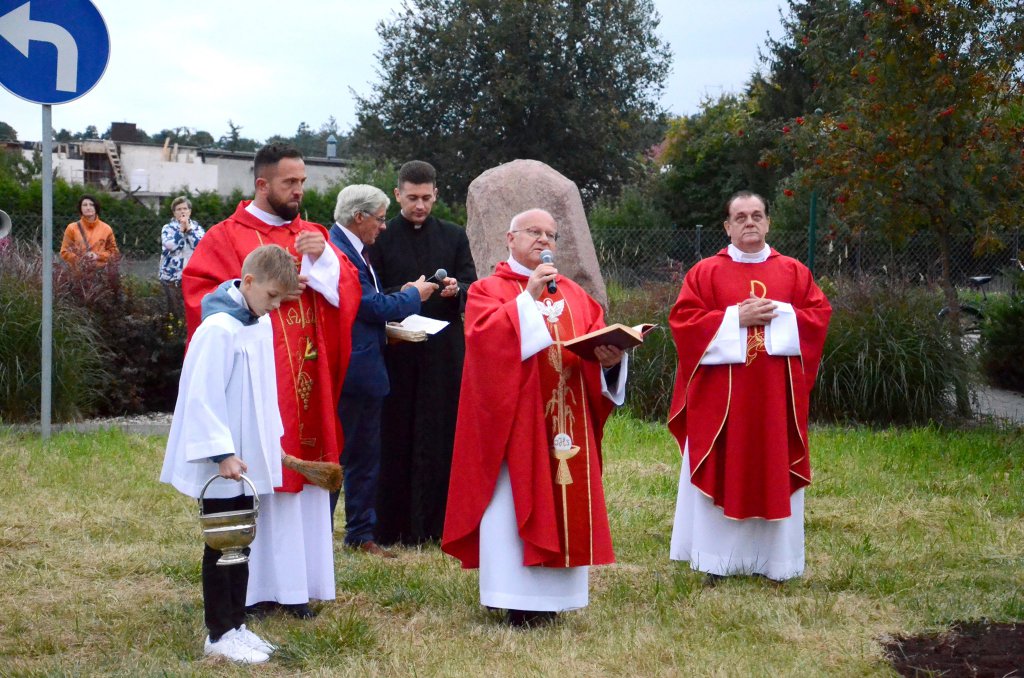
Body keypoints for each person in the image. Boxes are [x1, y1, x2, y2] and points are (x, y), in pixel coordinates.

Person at [182, 143, 361, 618]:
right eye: (289, 183)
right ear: (262, 184)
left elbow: (348, 293)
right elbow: (202, 297)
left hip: (307, 382)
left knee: (302, 488)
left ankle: (299, 588)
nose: (299, 191)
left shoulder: (315, 236)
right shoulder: (226, 237)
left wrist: (324, 263)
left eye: (302, 182)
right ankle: (256, 590)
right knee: (261, 480)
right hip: (259, 386)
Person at [442, 208, 627, 627]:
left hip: (568, 426)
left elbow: (593, 353)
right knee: (511, 505)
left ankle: (557, 598)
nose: (544, 240)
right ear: (510, 238)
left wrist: (610, 361)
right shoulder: (490, 290)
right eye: (534, 232)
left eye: (551, 234)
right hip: (516, 428)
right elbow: (485, 347)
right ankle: (510, 594)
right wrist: (527, 298)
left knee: (564, 498)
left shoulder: (578, 297)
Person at [667, 190, 831, 583]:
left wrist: (781, 315)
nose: (749, 223)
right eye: (739, 217)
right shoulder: (705, 273)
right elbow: (684, 324)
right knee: (723, 463)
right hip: (721, 402)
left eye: (757, 215)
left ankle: (775, 563)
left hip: (776, 400)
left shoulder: (793, 272)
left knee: (772, 462)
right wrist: (732, 319)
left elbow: (818, 317)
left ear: (768, 222)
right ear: (727, 227)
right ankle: (716, 562)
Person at [161, 244, 298, 664]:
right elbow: (203, 395)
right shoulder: (219, 328)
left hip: (247, 456)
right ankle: (219, 634)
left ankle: (237, 625)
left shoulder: (255, 323)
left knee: (242, 540)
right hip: (224, 460)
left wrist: (268, 444)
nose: (275, 307)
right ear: (250, 281)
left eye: (281, 300)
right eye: (272, 296)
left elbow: (262, 391)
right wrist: (222, 453)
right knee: (222, 542)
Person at [368, 160, 477, 546]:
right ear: (397, 194)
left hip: (442, 353)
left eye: (426, 198)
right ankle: (391, 526)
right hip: (396, 350)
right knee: (394, 435)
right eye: (412, 198)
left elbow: (471, 284)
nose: (419, 205)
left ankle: (437, 523)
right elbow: (372, 291)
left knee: (439, 435)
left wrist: (455, 289)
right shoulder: (380, 237)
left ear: (436, 194)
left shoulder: (453, 235)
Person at [327, 185, 438, 557]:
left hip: (363, 368)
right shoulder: (339, 253)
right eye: (379, 218)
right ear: (359, 218)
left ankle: (358, 532)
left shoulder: (353, 250)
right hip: (354, 375)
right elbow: (368, 305)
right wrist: (414, 296)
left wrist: (388, 333)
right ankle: (347, 534)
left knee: (359, 457)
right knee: (349, 458)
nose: (383, 227)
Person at [160, 196, 205, 315]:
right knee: (174, 310)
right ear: (174, 213)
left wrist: (189, 231)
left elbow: (201, 246)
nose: (182, 211)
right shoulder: (167, 228)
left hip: (192, 276)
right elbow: (170, 245)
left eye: (185, 208)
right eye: (179, 209)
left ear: (190, 211)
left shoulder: (197, 228)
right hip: (171, 276)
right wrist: (181, 230)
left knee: (191, 310)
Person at [60, 194, 119, 268]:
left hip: (100, 273)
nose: (88, 207)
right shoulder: (72, 228)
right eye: (85, 205)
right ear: (80, 208)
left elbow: (114, 252)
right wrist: (81, 260)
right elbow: (64, 252)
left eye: (91, 205)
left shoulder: (106, 229)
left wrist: (98, 256)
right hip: (78, 274)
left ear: (96, 207)